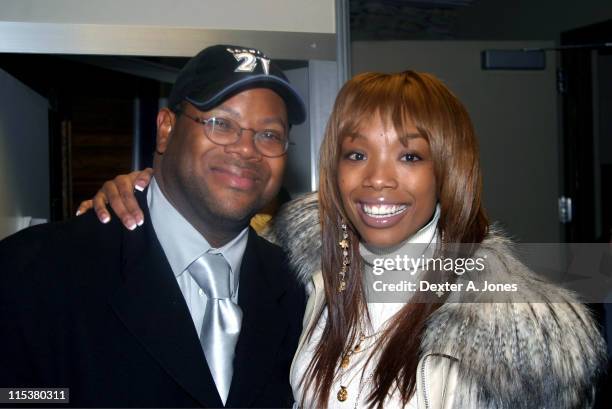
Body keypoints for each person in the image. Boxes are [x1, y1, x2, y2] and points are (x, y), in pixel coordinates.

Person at [79, 71, 607, 408]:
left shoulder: (512, 337)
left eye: (410, 156)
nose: (377, 179)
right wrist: (147, 195)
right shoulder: (307, 273)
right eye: (356, 154)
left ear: (449, 169)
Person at [0, 44, 307, 408]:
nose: (246, 149)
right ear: (166, 130)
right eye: (221, 124)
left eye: (269, 135)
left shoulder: (300, 289)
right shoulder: (36, 269)